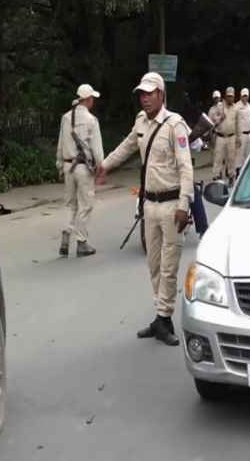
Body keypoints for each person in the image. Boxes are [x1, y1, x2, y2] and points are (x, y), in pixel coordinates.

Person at [96, 73, 194, 346]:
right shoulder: (140, 121)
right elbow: (127, 146)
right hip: (149, 205)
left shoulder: (175, 125)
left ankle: (164, 317)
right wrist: (105, 164)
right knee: (154, 264)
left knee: (169, 267)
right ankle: (160, 316)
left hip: (173, 204)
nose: (145, 97)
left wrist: (185, 205)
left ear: (162, 95)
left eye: (151, 93)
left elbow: (187, 167)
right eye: (142, 93)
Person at [55, 84, 104, 257]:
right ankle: (81, 242)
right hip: (83, 168)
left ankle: (66, 236)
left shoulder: (66, 118)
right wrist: (101, 167)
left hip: (68, 166)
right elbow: (97, 149)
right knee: (86, 204)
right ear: (88, 100)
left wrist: (60, 165)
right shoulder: (92, 120)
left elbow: (61, 143)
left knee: (70, 205)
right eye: (93, 99)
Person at [213, 86, 239, 182]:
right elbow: (213, 120)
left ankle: (231, 176)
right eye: (228, 96)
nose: (230, 98)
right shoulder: (219, 106)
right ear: (225, 96)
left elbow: (237, 123)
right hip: (221, 136)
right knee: (218, 157)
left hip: (231, 136)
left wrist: (238, 137)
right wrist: (220, 118)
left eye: (231, 96)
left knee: (231, 158)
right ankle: (216, 176)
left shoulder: (236, 108)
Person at [236, 88, 250, 177]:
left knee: (248, 154)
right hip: (241, 134)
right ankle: (238, 174)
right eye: (243, 96)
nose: (245, 98)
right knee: (239, 155)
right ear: (241, 96)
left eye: (246, 96)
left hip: (249, 133)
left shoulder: (249, 105)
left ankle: (247, 174)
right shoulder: (237, 106)